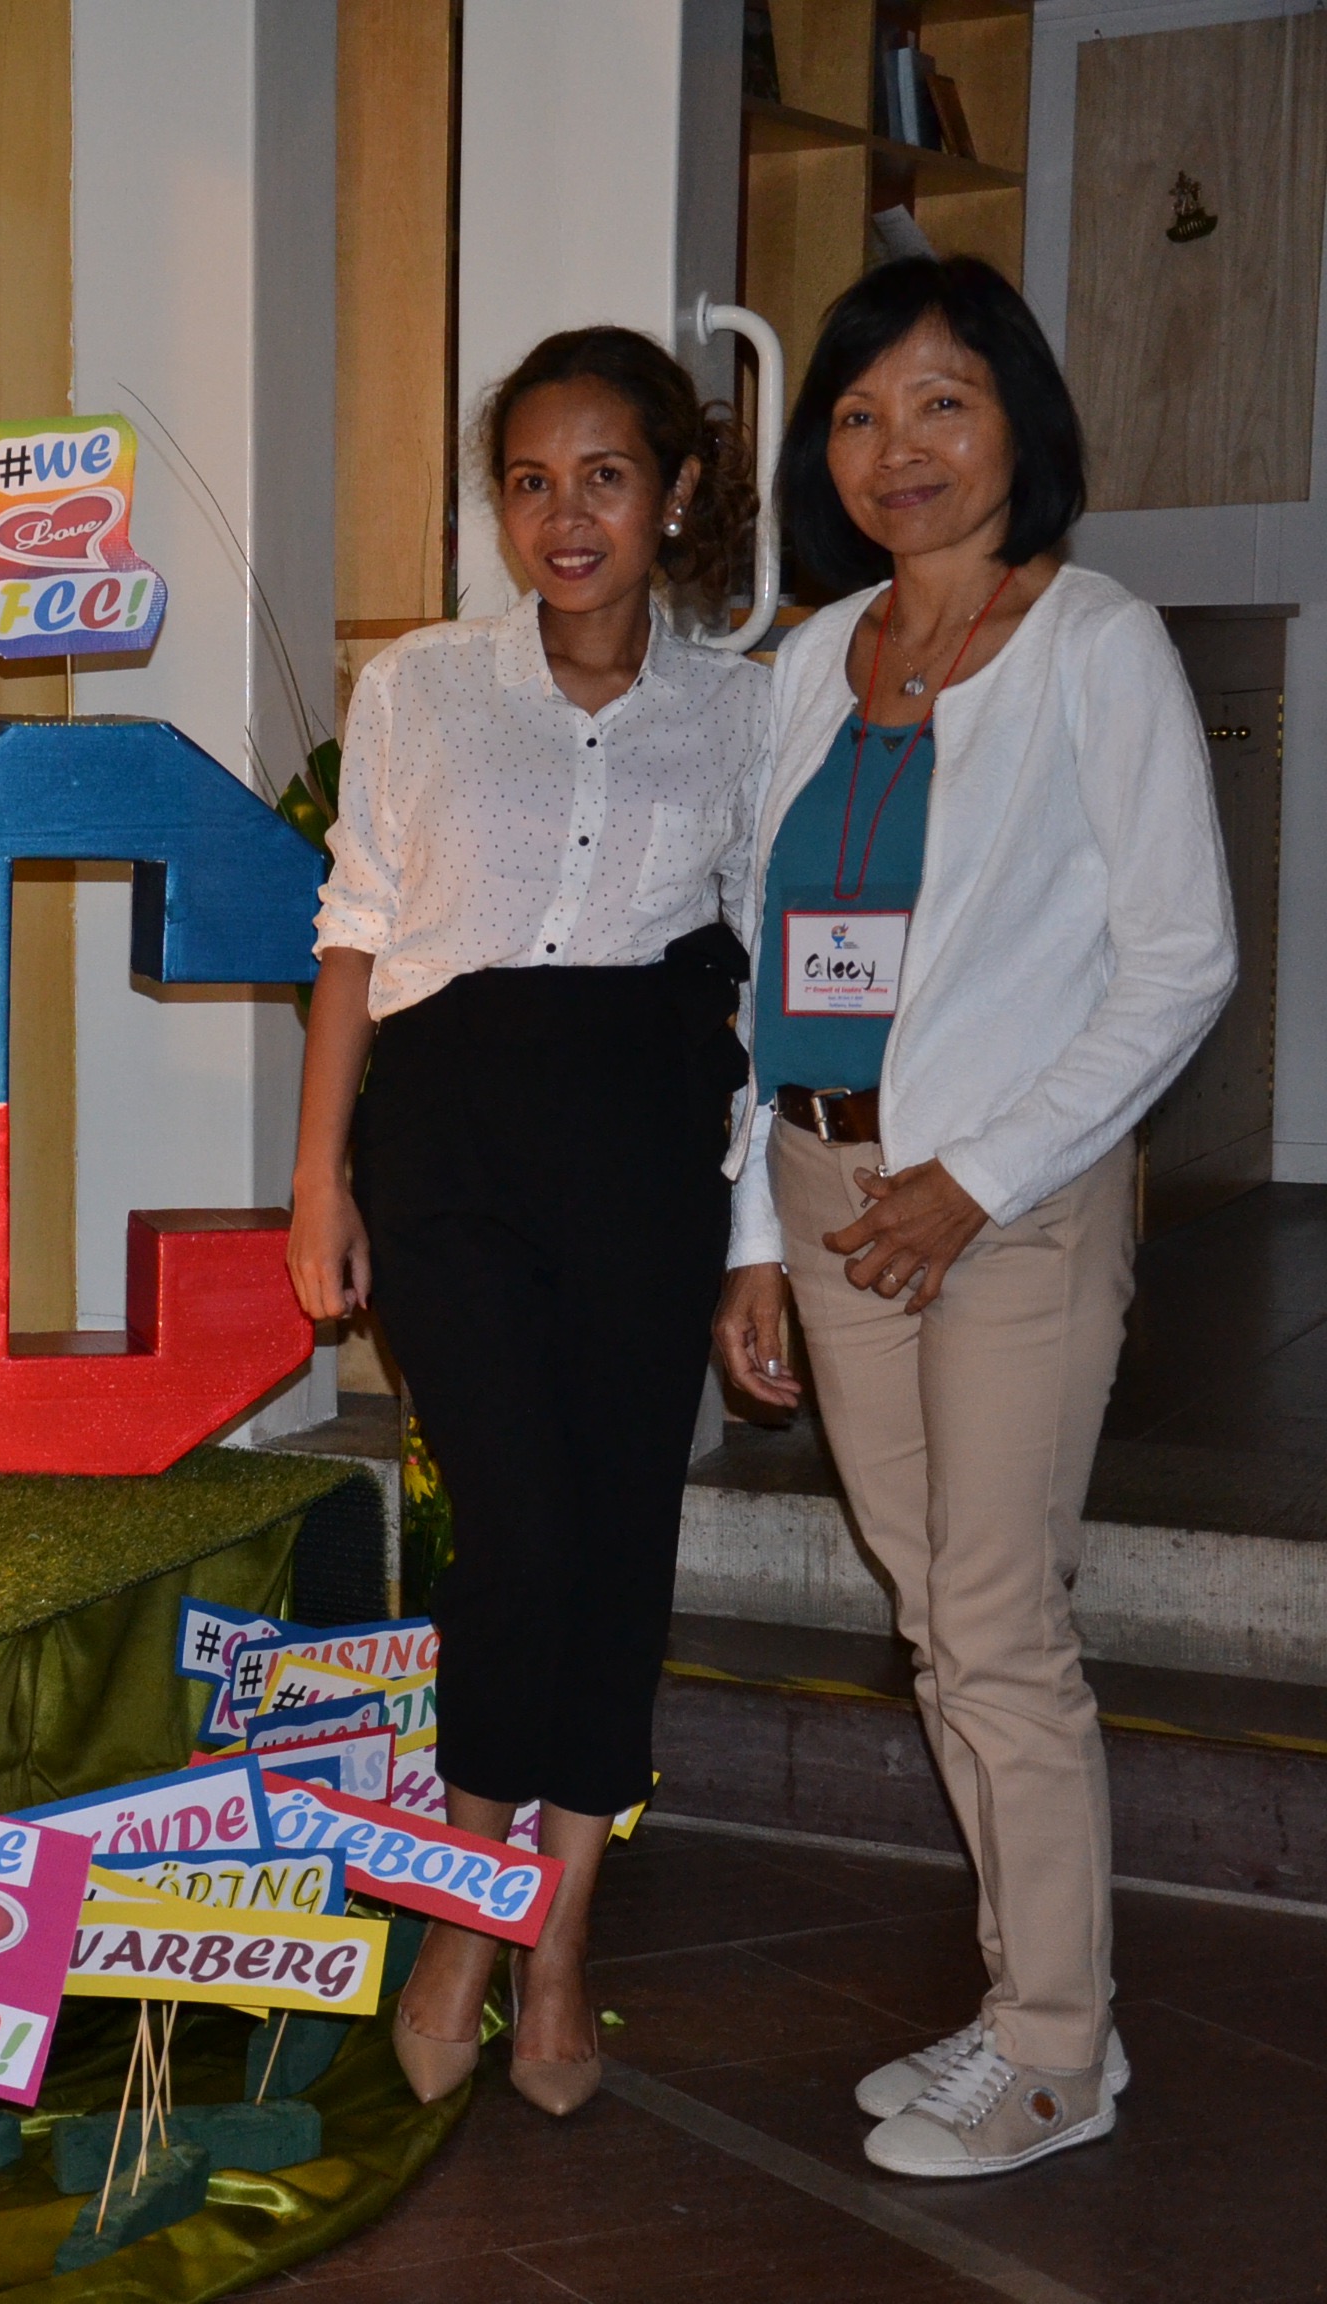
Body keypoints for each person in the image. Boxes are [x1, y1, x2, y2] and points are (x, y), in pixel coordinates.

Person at [711, 258, 1232, 2179]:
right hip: (828, 1186)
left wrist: (978, 1179)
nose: (897, 448)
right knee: (936, 1615)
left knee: (997, 1622)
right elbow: (758, 972)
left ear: (1020, 421)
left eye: (942, 402)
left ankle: (1058, 2050)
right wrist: (752, 1238)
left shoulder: (1094, 641)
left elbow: (1181, 963)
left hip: (1007, 1199)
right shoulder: (811, 662)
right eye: (857, 414)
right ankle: (1029, 1998)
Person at [289, 327, 767, 2118]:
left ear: (676, 494)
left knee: (620, 1535)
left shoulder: (745, 709)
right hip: (451, 1146)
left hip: (648, 1147)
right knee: (516, 1532)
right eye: (529, 482)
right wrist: (318, 1176)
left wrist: (754, 1241)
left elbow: (763, 983)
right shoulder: (420, 687)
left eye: (605, 478)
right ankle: (462, 1917)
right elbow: (356, 931)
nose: (566, 518)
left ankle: (557, 1935)